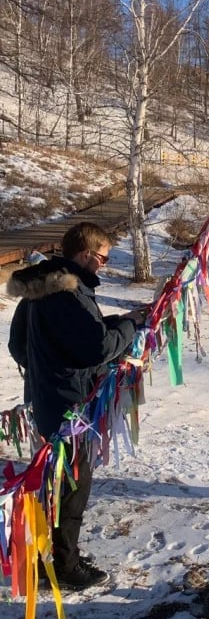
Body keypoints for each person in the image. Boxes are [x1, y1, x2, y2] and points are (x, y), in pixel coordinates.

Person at [7, 222, 147, 590]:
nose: (103, 264)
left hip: (47, 399)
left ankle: (50, 555)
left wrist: (118, 323)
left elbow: (19, 345)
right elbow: (95, 349)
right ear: (86, 255)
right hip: (71, 408)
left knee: (56, 484)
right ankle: (64, 566)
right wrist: (128, 331)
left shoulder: (41, 288)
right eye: (102, 257)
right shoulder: (68, 295)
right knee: (72, 486)